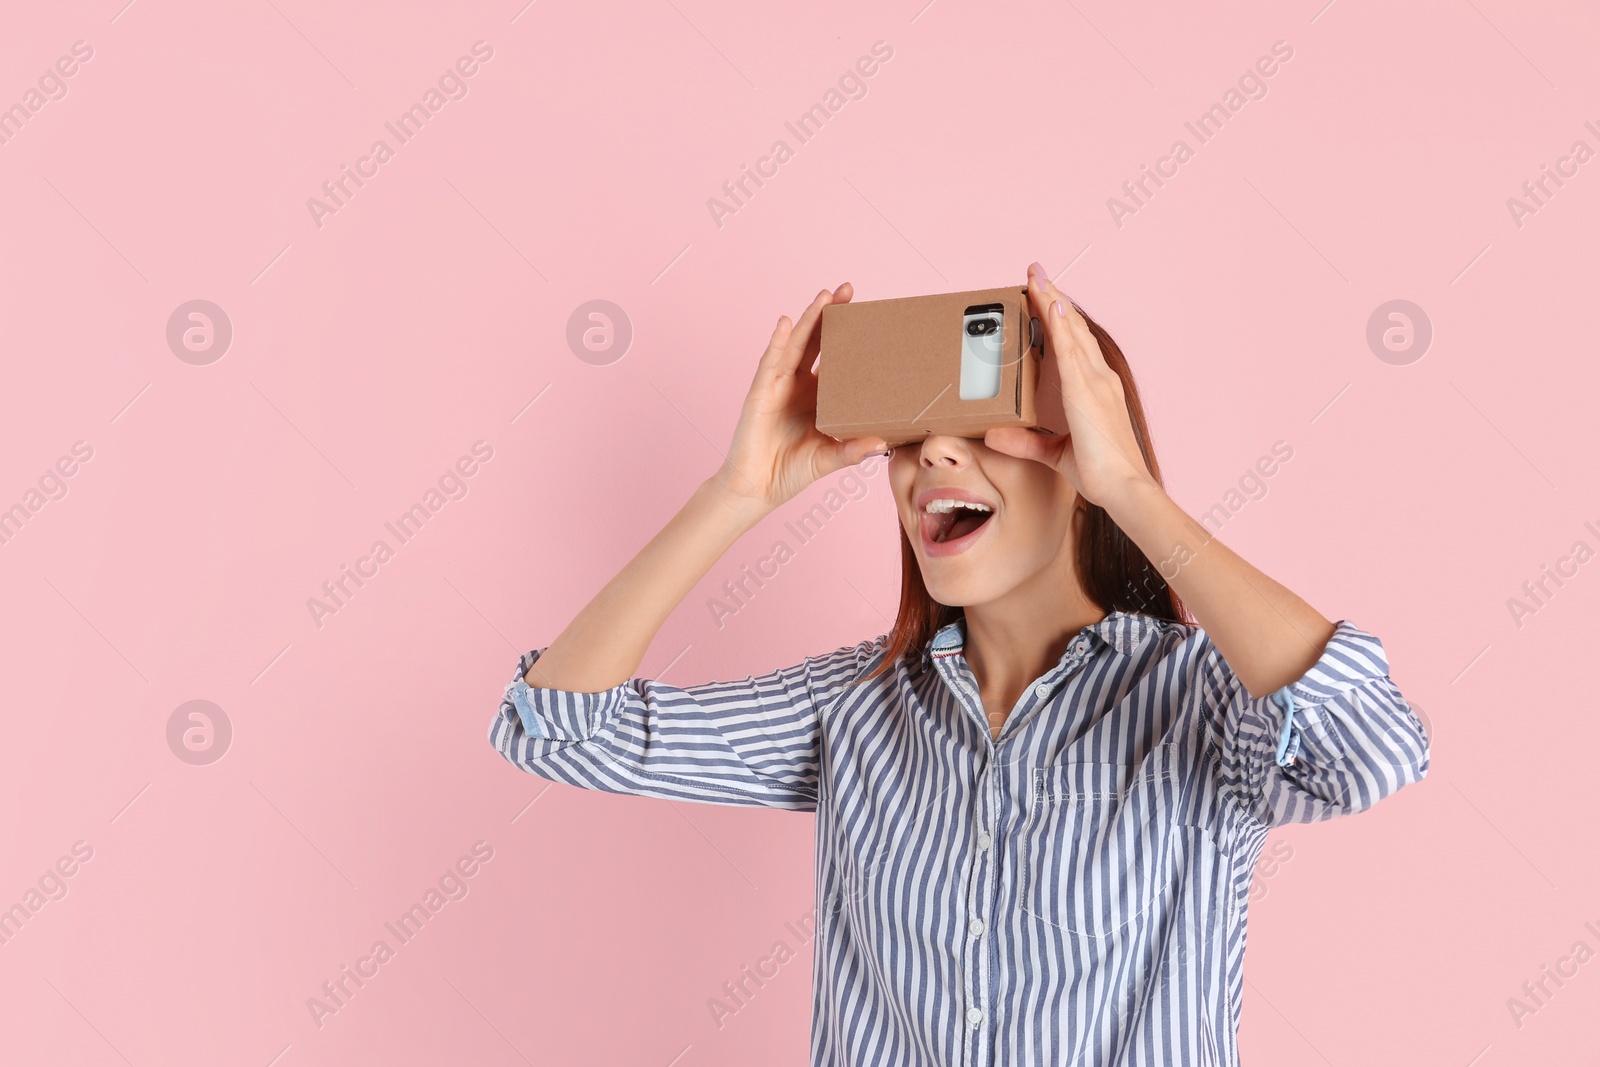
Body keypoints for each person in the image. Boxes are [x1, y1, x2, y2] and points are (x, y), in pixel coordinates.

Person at [487, 262, 1431, 1066]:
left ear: (1079, 461)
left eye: (988, 428)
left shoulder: (1202, 698)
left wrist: (1132, 490)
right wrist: (736, 494)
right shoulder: (855, 707)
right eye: (912, 435)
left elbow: (1369, 748)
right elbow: (563, 730)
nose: (931, 451)